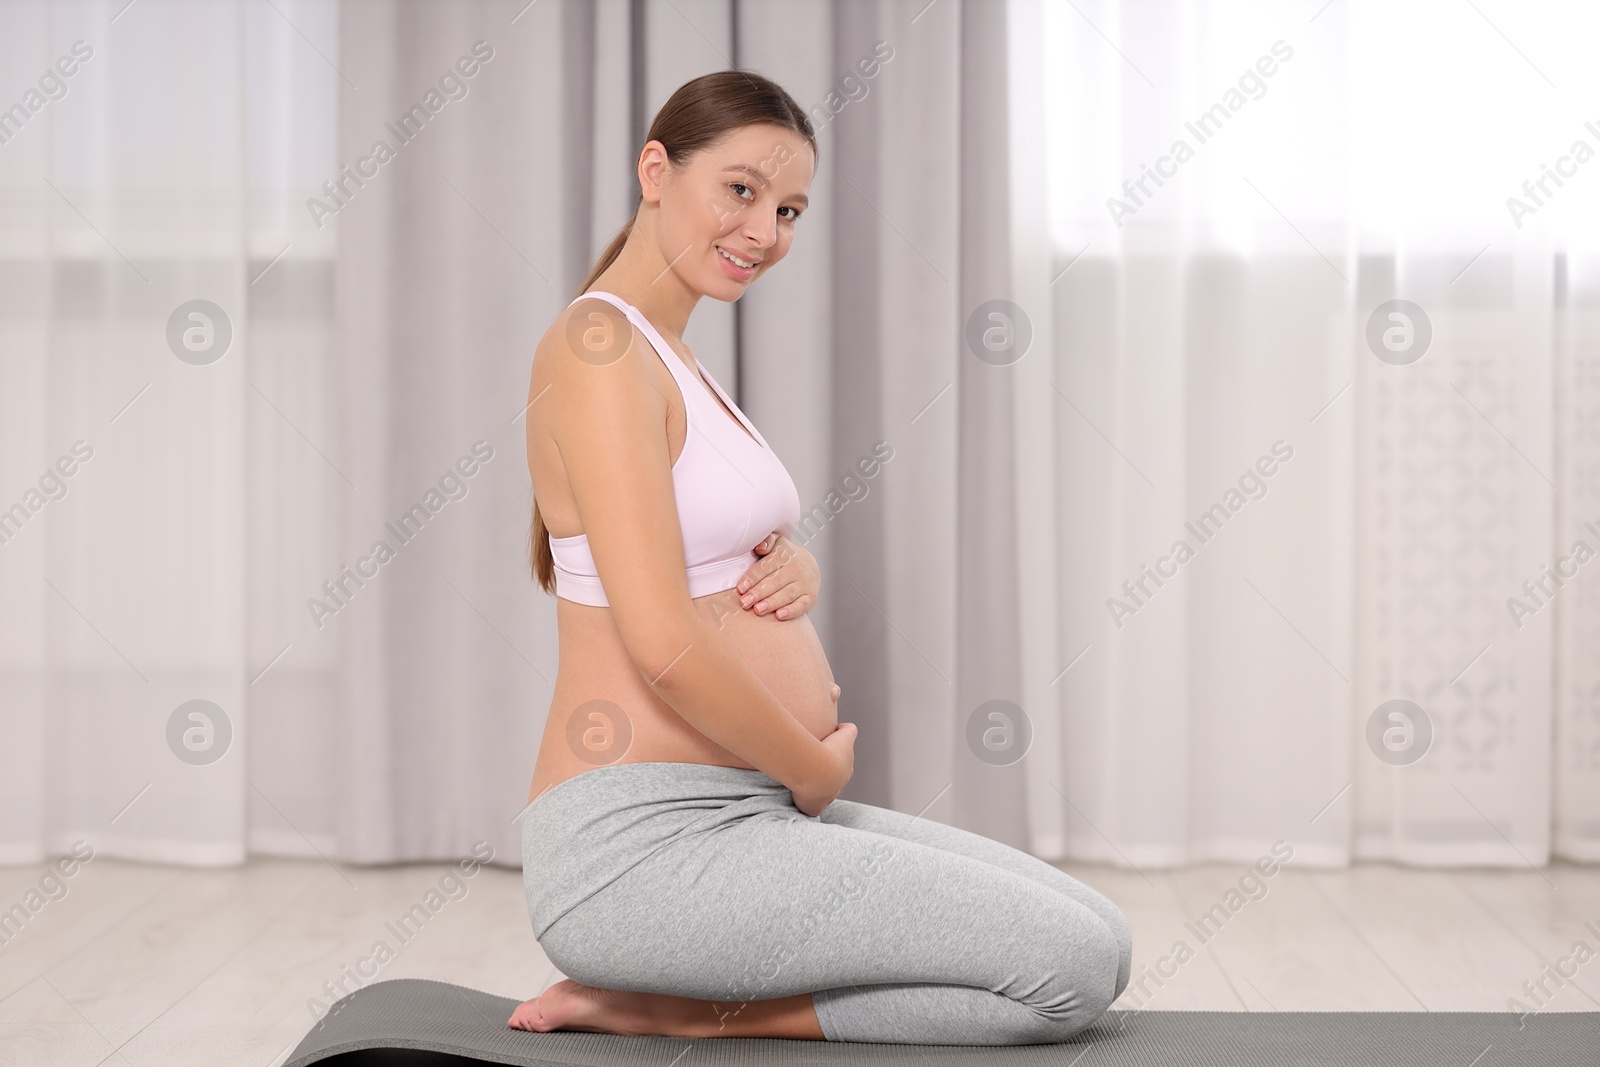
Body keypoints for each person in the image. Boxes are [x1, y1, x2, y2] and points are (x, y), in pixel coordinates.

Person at [510, 69, 1131, 1046]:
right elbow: (661, 637)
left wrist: (793, 571)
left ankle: (691, 1003)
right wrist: (810, 769)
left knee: (1101, 931)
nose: (766, 231)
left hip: (733, 808)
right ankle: (698, 1016)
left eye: (789, 208)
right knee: (1070, 971)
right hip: (637, 849)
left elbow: (703, 554)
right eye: (742, 190)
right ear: (656, 170)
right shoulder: (596, 346)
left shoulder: (671, 356)